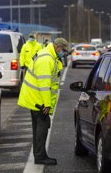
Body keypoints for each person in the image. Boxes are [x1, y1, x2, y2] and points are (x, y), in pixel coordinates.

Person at [18, 38, 68, 166]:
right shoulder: (47, 59)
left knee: (38, 128)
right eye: (63, 49)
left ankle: (40, 154)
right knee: (42, 128)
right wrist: (47, 104)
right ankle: (40, 157)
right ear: (57, 47)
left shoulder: (47, 54)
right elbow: (44, 85)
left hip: (35, 97)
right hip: (38, 100)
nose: (63, 52)